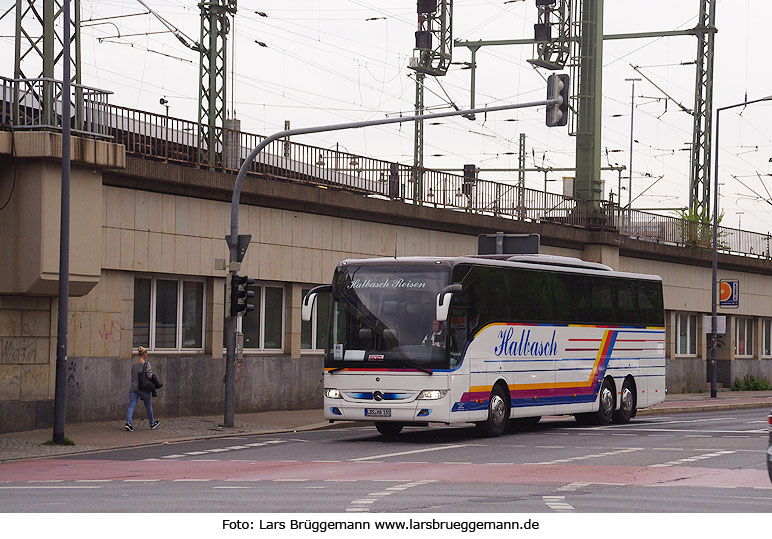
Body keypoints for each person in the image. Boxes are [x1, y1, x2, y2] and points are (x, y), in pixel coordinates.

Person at [125, 346, 159, 431]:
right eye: (146, 353)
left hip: (134, 387)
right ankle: (152, 423)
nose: (146, 354)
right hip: (143, 388)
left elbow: (133, 377)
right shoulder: (146, 364)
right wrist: (153, 378)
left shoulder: (134, 365)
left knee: (132, 405)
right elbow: (149, 375)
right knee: (148, 405)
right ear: (144, 354)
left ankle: (128, 423)